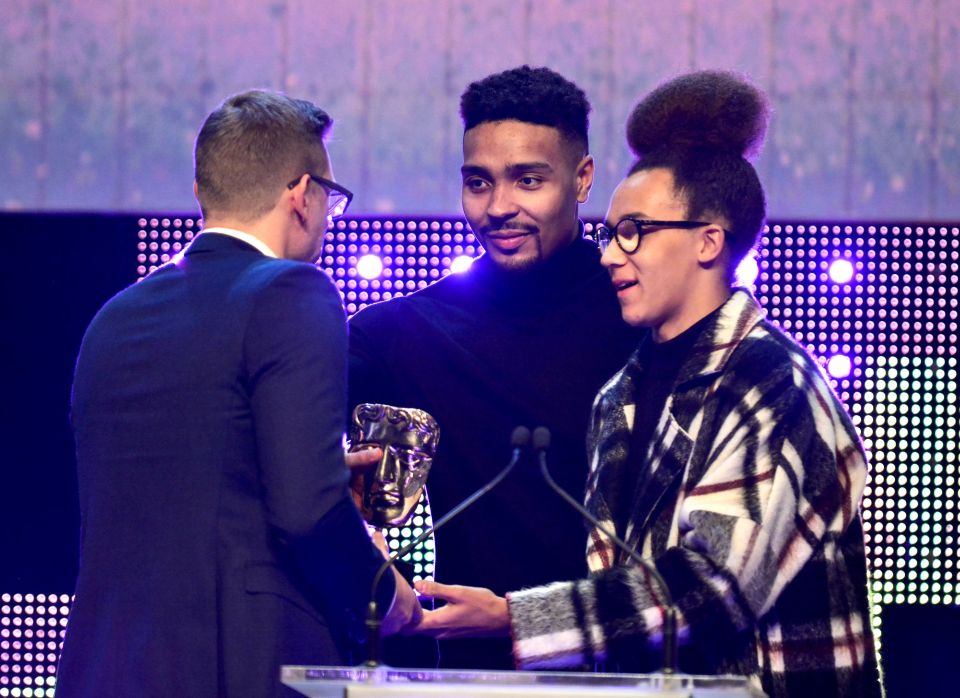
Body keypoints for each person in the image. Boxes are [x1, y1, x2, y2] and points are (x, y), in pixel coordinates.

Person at [413, 71, 883, 697]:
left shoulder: (771, 383)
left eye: (635, 231)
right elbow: (629, 599)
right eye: (610, 233)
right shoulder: (622, 395)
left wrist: (513, 618)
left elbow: (711, 590)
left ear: (709, 241)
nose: (610, 254)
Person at [56, 90, 420, 698]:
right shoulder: (293, 291)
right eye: (331, 197)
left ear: (202, 194)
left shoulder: (114, 316)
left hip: (108, 667)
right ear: (303, 196)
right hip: (239, 664)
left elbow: (181, 486)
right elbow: (306, 513)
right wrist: (383, 594)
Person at [347, 65, 641, 669]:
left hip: (630, 665)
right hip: (469, 670)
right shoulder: (406, 331)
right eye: (478, 183)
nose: (499, 206)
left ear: (583, 179)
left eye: (528, 180)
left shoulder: (641, 318)